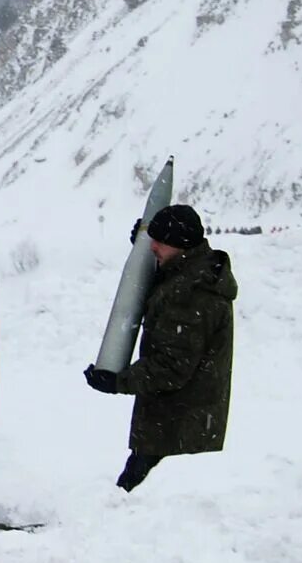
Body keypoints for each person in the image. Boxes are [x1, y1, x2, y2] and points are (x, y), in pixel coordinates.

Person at [84, 204, 237, 491]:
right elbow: (164, 290)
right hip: (178, 425)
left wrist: (117, 380)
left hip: (176, 428)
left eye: (160, 242)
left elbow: (171, 367)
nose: (154, 247)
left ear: (180, 244)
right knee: (137, 498)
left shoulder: (193, 293)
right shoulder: (189, 273)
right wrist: (144, 249)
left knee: (134, 498)